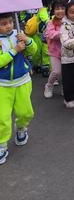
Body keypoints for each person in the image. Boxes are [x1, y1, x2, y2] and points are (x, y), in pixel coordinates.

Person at [0, 12, 37, 165]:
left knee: (25, 112)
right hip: (3, 85)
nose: (8, 25)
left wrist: (27, 41)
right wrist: (14, 50)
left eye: (10, 22)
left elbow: (33, 51)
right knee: (2, 117)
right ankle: (2, 145)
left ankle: (21, 128)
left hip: (23, 81)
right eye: (3, 24)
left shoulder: (20, 35)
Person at [44, 0, 67, 99]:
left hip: (68, 52)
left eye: (62, 8)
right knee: (56, 71)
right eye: (57, 9)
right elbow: (50, 34)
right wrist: (63, 33)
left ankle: (65, 88)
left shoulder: (69, 20)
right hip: (55, 52)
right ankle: (49, 86)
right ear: (53, 11)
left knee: (66, 72)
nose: (60, 11)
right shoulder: (51, 22)